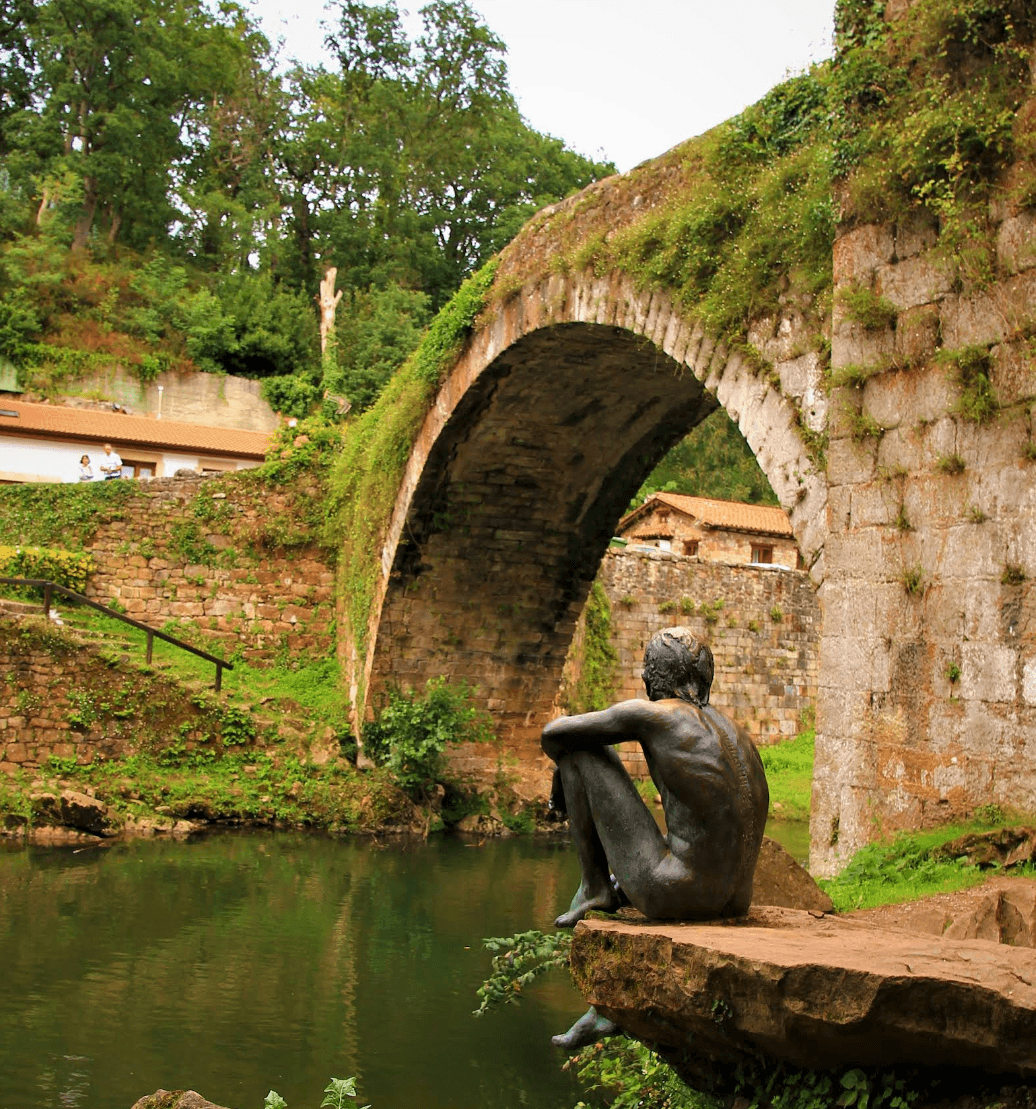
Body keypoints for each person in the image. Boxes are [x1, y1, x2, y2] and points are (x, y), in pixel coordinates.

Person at [542, 626, 769, 1049]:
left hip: (676, 895)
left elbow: (554, 733)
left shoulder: (654, 714)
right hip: (736, 898)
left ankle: (594, 889)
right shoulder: (737, 732)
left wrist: (562, 778)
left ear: (651, 680)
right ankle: (607, 1008)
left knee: (580, 749)